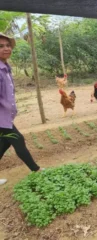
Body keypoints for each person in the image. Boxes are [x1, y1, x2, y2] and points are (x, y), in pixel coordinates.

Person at [0, 33, 43, 185]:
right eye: (1, 46)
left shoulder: (5, 67)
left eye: (8, 45)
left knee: (4, 143)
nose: (6, 48)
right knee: (18, 139)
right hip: (1, 118)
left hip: (4, 117)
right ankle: (36, 170)